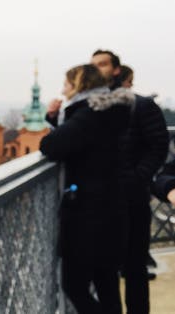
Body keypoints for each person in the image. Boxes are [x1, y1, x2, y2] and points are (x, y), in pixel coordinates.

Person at [40, 64, 133, 314]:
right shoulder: (111, 111)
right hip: (111, 210)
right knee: (107, 283)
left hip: (88, 215)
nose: (63, 90)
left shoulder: (88, 115)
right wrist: (56, 119)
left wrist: (54, 120)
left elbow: (51, 145)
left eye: (67, 85)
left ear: (80, 86)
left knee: (75, 286)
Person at [91, 50, 169, 314]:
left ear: (116, 69)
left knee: (134, 267)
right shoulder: (93, 104)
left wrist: (136, 179)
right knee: (105, 269)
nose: (97, 69)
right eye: (93, 65)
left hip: (132, 199)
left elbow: (158, 147)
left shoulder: (141, 105)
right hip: (101, 200)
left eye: (102, 64)